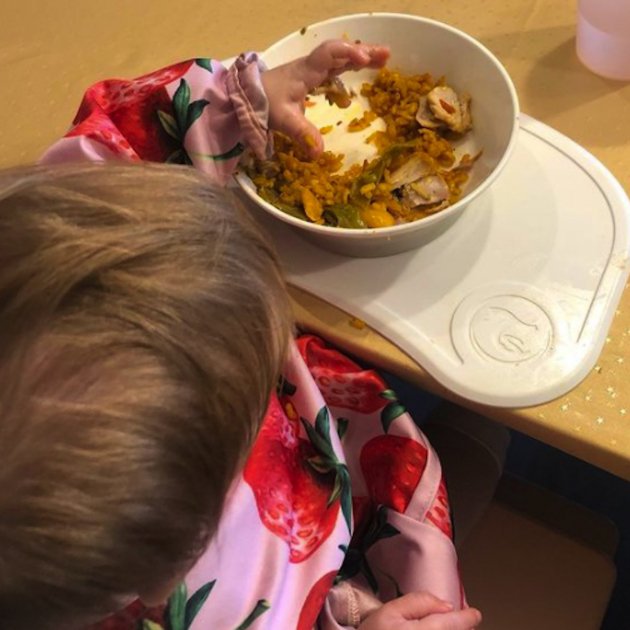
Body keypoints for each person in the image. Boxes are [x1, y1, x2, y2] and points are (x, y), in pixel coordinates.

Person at [0, 40, 482, 630]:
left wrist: (235, 103)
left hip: (319, 429)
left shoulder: (44, 251)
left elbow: (105, 153)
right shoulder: (219, 609)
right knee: (479, 443)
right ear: (159, 583)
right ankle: (486, 449)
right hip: (343, 551)